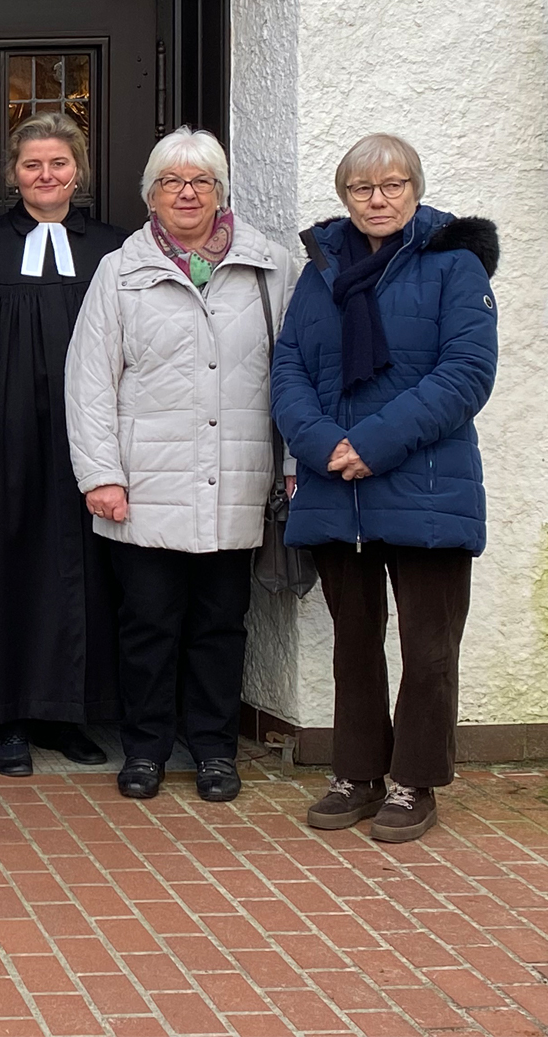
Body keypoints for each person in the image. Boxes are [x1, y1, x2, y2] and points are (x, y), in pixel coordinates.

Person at [273, 134, 497, 843]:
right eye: (362, 188)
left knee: (429, 648)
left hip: (427, 485)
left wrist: (371, 443)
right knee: (354, 644)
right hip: (337, 487)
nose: (378, 199)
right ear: (345, 196)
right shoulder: (322, 269)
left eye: (393, 185)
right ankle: (358, 774)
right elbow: (288, 366)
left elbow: (466, 373)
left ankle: (413, 782)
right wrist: (322, 444)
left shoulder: (453, 264)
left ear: (415, 189)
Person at [64, 126, 296, 803]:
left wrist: (292, 467)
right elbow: (89, 381)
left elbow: (296, 376)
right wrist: (100, 474)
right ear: (151, 195)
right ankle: (145, 749)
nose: (187, 193)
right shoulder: (120, 271)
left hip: (237, 480)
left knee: (221, 625)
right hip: (145, 485)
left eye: (201, 181)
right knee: (148, 626)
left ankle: (215, 750)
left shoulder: (271, 268)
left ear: (221, 192)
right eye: (172, 181)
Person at [0, 112, 128, 776]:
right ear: (13, 174)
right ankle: (7, 717)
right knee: (4, 567)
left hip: (88, 435)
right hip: (6, 432)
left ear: (79, 171)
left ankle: (67, 712)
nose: (45, 175)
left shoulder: (114, 247)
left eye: (58, 163)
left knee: (81, 571)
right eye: (32, 164)